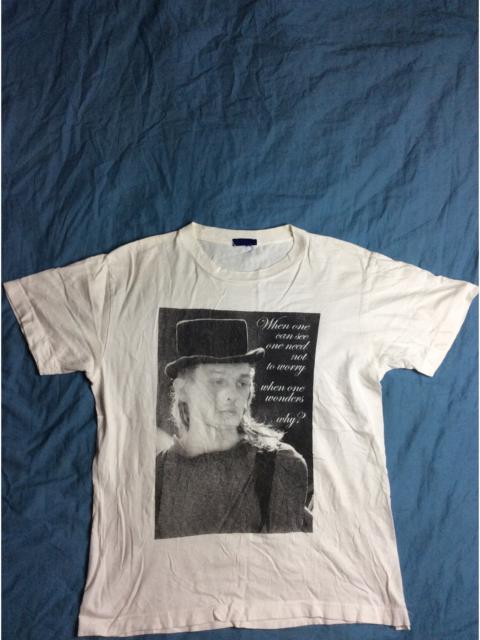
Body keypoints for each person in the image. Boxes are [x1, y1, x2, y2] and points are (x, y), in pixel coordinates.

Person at [154, 317, 313, 539]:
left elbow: (284, 554)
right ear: (182, 390)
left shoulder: (282, 465)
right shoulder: (158, 471)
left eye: (242, 383)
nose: (232, 395)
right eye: (217, 381)